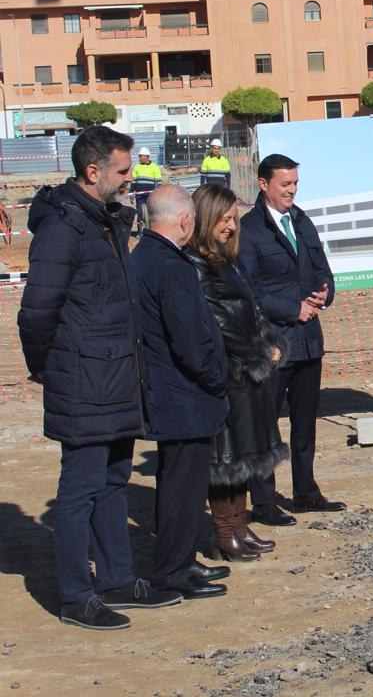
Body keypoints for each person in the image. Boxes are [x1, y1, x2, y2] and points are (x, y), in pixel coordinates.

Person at [18, 126, 182, 630]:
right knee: (81, 488)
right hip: (84, 380)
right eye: (124, 170)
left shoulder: (108, 222)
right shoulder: (64, 228)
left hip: (117, 376)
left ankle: (117, 579)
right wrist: (48, 366)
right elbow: (36, 311)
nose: (133, 179)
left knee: (113, 480)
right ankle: (74, 595)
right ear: (94, 172)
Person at [130, 185, 231, 598]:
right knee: (181, 488)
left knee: (181, 485)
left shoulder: (144, 257)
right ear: (186, 220)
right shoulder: (169, 264)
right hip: (183, 394)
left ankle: (183, 560)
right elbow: (189, 336)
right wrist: (215, 378)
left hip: (171, 391)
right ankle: (172, 570)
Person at [185, 184, 290, 560]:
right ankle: (224, 532)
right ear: (205, 218)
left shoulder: (225, 260)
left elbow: (252, 308)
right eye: (224, 219)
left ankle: (240, 527)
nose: (231, 226)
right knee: (225, 460)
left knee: (245, 455)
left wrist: (269, 341)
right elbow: (219, 324)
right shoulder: (196, 264)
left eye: (233, 219)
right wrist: (258, 354)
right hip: (228, 374)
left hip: (248, 374)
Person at [239, 154, 343, 525]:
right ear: (264, 184)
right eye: (285, 184)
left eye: (295, 183)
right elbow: (247, 291)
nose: (292, 190)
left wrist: (323, 293)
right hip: (272, 344)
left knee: (305, 422)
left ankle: (306, 492)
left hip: (309, 340)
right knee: (265, 424)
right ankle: (264, 501)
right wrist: (291, 308)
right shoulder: (248, 230)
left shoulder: (302, 220)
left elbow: (322, 268)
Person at [130, 146, 163, 235]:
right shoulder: (137, 167)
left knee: (151, 212)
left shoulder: (154, 167)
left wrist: (160, 192)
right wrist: (131, 193)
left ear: (147, 156)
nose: (140, 158)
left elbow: (159, 181)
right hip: (139, 195)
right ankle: (140, 231)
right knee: (140, 212)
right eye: (139, 156)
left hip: (151, 194)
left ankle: (153, 231)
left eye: (141, 156)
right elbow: (133, 181)